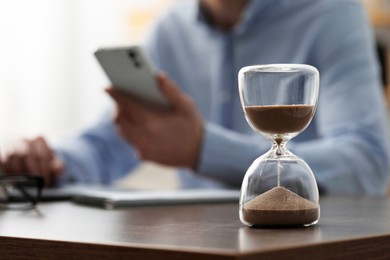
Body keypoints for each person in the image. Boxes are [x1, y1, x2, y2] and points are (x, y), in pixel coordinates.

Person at [1, 0, 389, 195]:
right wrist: (53, 162)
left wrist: (203, 148)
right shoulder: (170, 29)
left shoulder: (332, 14)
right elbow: (114, 141)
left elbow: (368, 162)